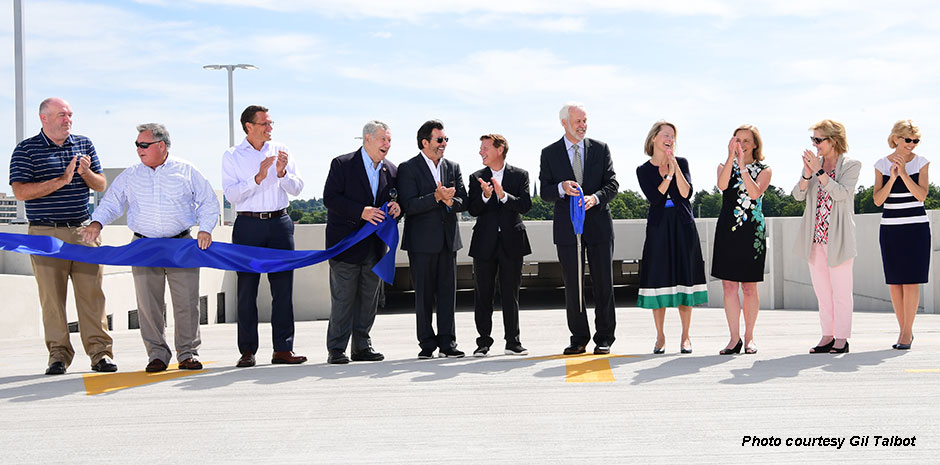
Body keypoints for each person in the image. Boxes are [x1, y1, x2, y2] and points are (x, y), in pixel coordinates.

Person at [82, 123, 219, 372]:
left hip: (181, 245)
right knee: (147, 303)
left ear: (161, 146)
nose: (138, 149)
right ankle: (157, 354)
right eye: (136, 145)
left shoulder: (187, 171)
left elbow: (208, 202)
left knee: (187, 302)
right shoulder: (130, 175)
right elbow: (112, 202)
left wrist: (206, 229)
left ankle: (188, 353)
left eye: (143, 145)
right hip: (144, 246)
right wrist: (97, 222)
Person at [9, 97, 116, 375]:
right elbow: (21, 192)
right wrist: (62, 181)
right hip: (45, 234)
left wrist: (86, 173)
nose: (67, 119)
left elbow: (101, 184)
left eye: (69, 115)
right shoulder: (25, 150)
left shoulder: (83, 144)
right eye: (61, 115)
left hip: (83, 232)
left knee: (92, 296)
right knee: (52, 300)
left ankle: (100, 354)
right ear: (44, 118)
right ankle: (58, 356)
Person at [222, 105, 307, 367]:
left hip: (280, 223)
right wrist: (257, 177)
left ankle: (283, 349)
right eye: (265, 124)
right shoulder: (232, 156)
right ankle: (247, 351)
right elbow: (232, 196)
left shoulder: (281, 150)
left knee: (283, 289)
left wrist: (281, 174)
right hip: (248, 226)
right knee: (247, 289)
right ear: (249, 126)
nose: (270, 128)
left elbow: (298, 188)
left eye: (271, 123)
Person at [538, 102, 618, 355]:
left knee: (603, 282)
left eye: (585, 121)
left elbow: (613, 183)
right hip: (567, 228)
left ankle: (604, 337)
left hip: (599, 225)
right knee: (573, 284)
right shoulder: (549, 153)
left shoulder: (601, 149)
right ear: (564, 123)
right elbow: (545, 191)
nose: (583, 125)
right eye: (578, 121)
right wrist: (561, 187)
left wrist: (595, 198)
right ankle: (579, 337)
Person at [322, 121, 401, 364]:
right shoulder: (342, 164)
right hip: (345, 246)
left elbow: (397, 202)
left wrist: (400, 209)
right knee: (343, 300)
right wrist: (361, 211)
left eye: (389, 140)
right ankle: (336, 348)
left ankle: (362, 347)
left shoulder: (392, 170)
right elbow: (330, 199)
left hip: (375, 248)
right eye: (382, 139)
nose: (387, 144)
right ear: (367, 139)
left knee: (368, 300)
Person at [398, 119, 468, 359]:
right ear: (424, 142)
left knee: (448, 294)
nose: (443, 144)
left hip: (448, 242)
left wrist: (449, 201)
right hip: (421, 243)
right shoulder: (408, 168)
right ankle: (426, 344)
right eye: (439, 140)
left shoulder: (453, 167)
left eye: (445, 139)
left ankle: (448, 343)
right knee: (424, 295)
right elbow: (408, 205)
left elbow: (463, 202)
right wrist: (436, 197)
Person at [636, 121, 707, 354]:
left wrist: (675, 169)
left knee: (685, 279)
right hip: (658, 228)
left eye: (673, 136)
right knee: (660, 280)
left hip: (683, 225)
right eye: (666, 134)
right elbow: (655, 199)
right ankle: (660, 337)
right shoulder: (643, 170)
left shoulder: (682, 163)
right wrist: (666, 177)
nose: (670, 139)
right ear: (654, 138)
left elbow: (686, 193)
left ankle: (686, 337)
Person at [792, 119, 860, 354]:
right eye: (813, 139)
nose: (815, 144)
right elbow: (798, 196)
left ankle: (842, 338)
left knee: (841, 291)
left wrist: (820, 172)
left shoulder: (851, 165)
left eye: (819, 140)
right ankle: (827, 335)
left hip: (838, 239)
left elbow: (841, 194)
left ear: (834, 140)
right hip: (815, 239)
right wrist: (807, 174)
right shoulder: (813, 164)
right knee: (823, 293)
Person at [468, 134, 532, 357]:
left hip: (512, 243)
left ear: (500, 149)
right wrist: (486, 196)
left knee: (510, 294)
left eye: (485, 147)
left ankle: (513, 341)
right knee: (482, 294)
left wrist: (503, 196)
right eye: (481, 148)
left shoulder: (520, 175)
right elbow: (473, 209)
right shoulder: (476, 177)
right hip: (484, 244)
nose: (481, 152)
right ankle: (483, 342)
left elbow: (525, 206)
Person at [712, 125, 772, 355]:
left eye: (747, 140)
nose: (743, 144)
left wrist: (744, 168)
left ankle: (749, 338)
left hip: (752, 233)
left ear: (755, 144)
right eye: (738, 140)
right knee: (728, 286)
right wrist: (731, 159)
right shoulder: (723, 166)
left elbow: (755, 193)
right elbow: (723, 185)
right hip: (728, 229)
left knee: (749, 287)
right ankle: (733, 338)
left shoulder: (765, 169)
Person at [872, 119, 929, 351]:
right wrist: (893, 177)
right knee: (895, 282)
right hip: (891, 228)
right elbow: (878, 200)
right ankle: (905, 330)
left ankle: (906, 333)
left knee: (911, 281)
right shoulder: (880, 165)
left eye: (915, 141)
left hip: (915, 227)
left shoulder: (922, 163)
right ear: (896, 138)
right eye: (908, 140)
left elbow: (921, 195)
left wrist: (904, 174)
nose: (912, 144)